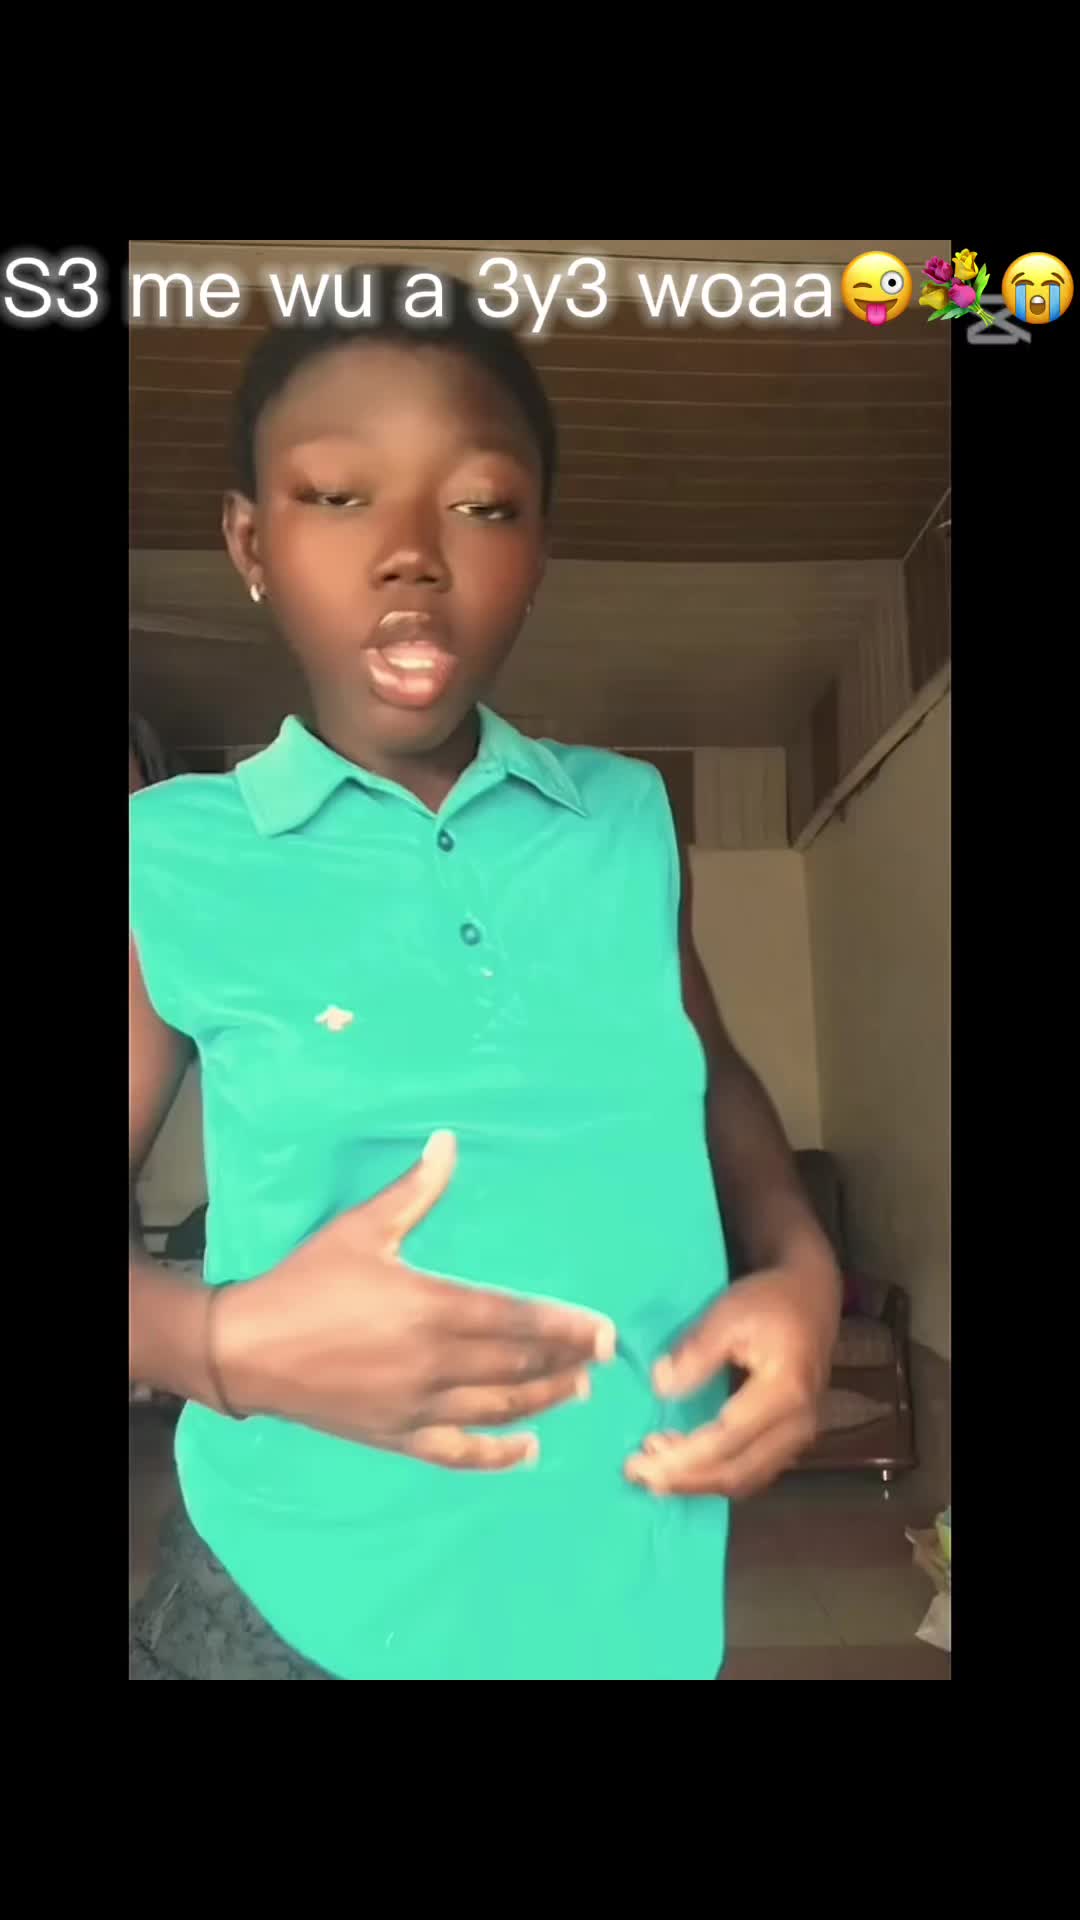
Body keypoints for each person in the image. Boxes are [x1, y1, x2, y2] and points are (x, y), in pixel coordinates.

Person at [129, 267, 841, 1681]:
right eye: (339, 494)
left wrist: (802, 1268)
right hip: (295, 1606)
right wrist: (219, 1346)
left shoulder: (627, 817)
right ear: (252, 541)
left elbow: (707, 1073)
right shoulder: (166, 853)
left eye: (482, 504)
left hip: (624, 1590)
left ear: (539, 548)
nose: (411, 552)